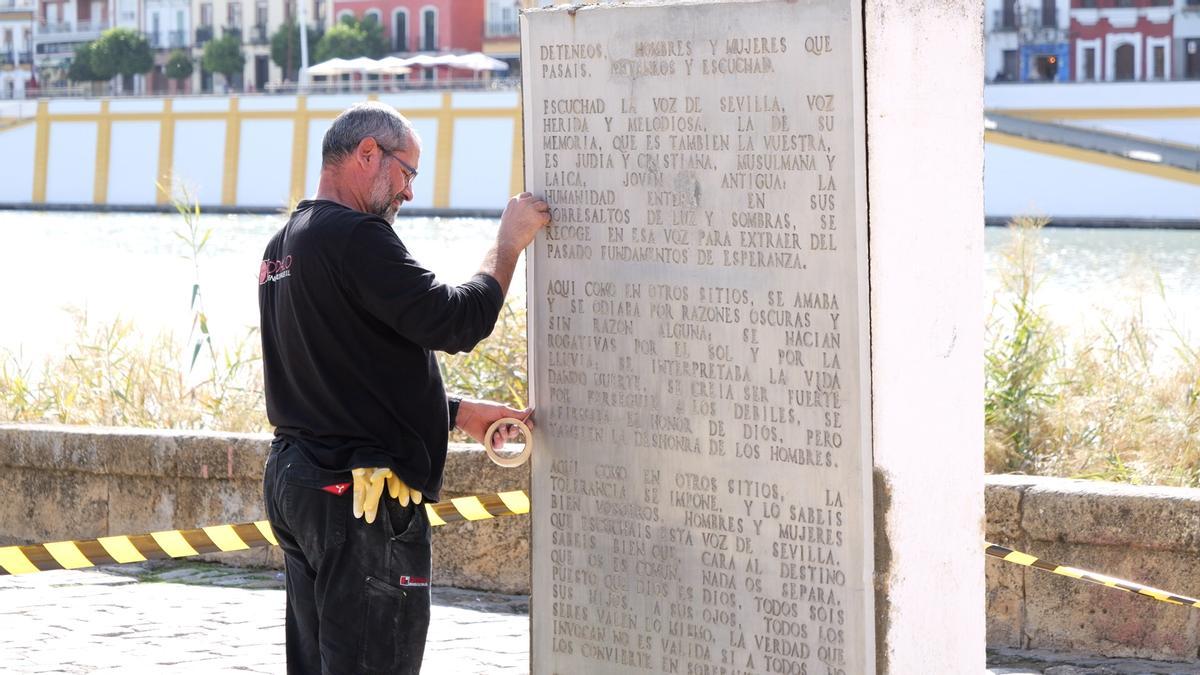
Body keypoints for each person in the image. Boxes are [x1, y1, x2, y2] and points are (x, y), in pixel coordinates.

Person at [258, 101, 550, 674]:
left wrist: (457, 412)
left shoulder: (283, 246)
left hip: (300, 483)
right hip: (360, 496)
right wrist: (508, 245)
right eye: (407, 173)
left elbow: (337, 376)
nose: (408, 193)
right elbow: (455, 321)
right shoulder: (356, 236)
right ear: (369, 153)